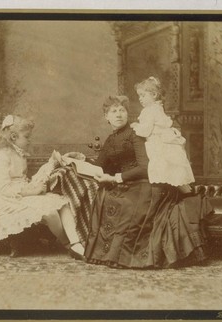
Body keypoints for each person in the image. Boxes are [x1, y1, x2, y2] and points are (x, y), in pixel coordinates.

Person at [84, 95, 212, 268]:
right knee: (104, 196)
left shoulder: (135, 134)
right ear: (106, 116)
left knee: (129, 205)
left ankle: (128, 257)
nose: (119, 114)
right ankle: (109, 252)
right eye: (113, 111)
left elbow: (145, 167)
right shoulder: (110, 140)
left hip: (148, 182)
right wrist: (80, 158)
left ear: (128, 114)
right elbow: (99, 165)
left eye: (122, 110)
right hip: (128, 183)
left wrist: (115, 178)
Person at [0, 114, 85, 259]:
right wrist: (33, 191)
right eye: (27, 137)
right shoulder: (2, 156)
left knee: (62, 204)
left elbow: (22, 179)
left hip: (21, 192)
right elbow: (3, 189)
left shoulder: (20, 154)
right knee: (50, 212)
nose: (30, 140)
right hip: (5, 197)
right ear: (13, 137)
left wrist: (49, 166)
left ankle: (76, 243)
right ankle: (67, 244)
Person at [130, 76, 195, 193]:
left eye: (143, 95)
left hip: (159, 145)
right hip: (167, 144)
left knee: (164, 171)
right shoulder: (158, 108)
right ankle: (190, 193)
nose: (140, 99)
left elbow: (145, 131)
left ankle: (188, 196)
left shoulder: (149, 111)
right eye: (139, 96)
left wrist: (135, 126)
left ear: (154, 95)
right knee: (175, 174)